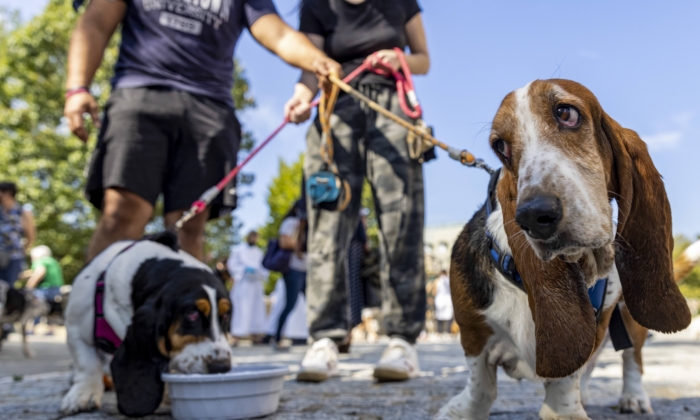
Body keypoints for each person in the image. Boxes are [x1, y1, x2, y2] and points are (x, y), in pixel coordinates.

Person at [64, 0, 342, 262]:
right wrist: (78, 88)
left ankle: (183, 312)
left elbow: (279, 35)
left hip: (210, 111)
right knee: (122, 214)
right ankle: (97, 310)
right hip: (139, 97)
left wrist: (317, 60)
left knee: (189, 228)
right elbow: (96, 22)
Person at [285, 0, 430, 382]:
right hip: (336, 108)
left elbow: (424, 60)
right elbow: (310, 63)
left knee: (402, 221)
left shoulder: (401, 3)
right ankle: (325, 340)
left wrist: (400, 60)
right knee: (326, 225)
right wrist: (302, 95)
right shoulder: (316, 6)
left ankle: (402, 340)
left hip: (392, 110)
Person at [271, 199, 308, 349]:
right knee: (290, 305)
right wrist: (301, 245)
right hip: (294, 269)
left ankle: (316, 336)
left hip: (307, 269)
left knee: (313, 304)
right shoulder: (291, 222)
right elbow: (284, 242)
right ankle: (277, 337)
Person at [228, 231, 268, 340]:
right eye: (252, 237)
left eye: (255, 237)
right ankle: (236, 335)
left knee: (256, 309)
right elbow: (232, 264)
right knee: (241, 308)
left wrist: (259, 273)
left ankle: (255, 333)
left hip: (256, 284)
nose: (253, 239)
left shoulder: (259, 252)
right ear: (248, 237)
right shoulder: (238, 250)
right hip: (243, 283)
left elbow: (264, 268)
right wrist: (243, 270)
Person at [24, 246, 65, 336]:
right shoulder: (52, 261)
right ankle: (51, 329)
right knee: (51, 306)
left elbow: (40, 272)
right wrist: (23, 275)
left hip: (45, 288)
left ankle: (32, 328)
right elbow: (34, 271)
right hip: (56, 287)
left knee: (36, 306)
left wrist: (29, 286)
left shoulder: (40, 261)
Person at [0, 182, 35, 286]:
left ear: (8, 193)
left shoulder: (23, 212)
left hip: (14, 256)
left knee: (8, 287)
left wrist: (23, 251)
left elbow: (30, 237)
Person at [433, 270, 453, 335]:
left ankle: (439, 331)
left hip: (440, 299)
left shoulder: (437, 280)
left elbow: (434, 291)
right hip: (448, 299)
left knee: (439, 316)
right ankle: (448, 331)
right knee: (448, 316)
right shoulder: (449, 280)